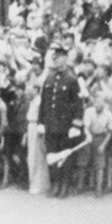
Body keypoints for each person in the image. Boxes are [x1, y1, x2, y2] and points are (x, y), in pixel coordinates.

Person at [38, 42, 84, 198]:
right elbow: (43, 103)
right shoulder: (49, 78)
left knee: (64, 157)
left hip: (65, 127)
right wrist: (41, 123)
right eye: (54, 57)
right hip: (50, 125)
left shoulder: (71, 79)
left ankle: (64, 185)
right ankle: (55, 184)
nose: (55, 60)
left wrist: (75, 125)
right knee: (51, 156)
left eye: (59, 57)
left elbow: (78, 105)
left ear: (65, 59)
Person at [77, 92, 112, 196]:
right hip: (88, 136)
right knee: (83, 161)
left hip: (100, 138)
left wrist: (103, 145)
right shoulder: (89, 111)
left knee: (100, 163)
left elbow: (109, 132)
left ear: (104, 103)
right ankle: (80, 186)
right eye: (95, 102)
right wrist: (88, 135)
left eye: (99, 102)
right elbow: (85, 127)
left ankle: (98, 188)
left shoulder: (108, 114)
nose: (96, 104)